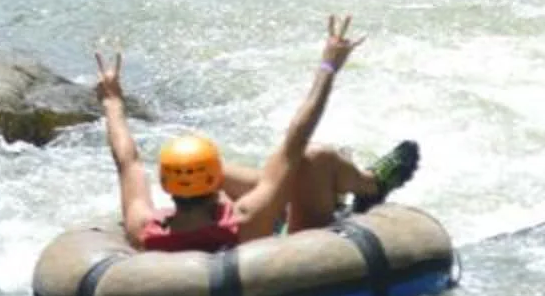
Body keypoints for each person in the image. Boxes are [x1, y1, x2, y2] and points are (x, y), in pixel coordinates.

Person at [94, 22, 418, 250]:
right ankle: (370, 184)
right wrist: (328, 67)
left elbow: (127, 162)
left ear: (165, 184)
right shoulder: (247, 218)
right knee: (313, 159)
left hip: (214, 246)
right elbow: (296, 138)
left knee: (297, 164)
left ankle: (350, 184)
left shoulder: (143, 229)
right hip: (291, 252)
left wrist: (112, 102)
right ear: (213, 181)